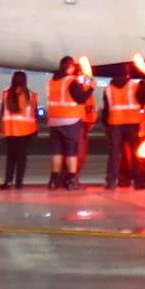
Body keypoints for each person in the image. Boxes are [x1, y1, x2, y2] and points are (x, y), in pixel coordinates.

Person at [44, 56, 93, 190]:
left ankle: (53, 181)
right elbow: (81, 98)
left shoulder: (52, 82)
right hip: (70, 120)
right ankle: (71, 181)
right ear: (70, 67)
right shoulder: (70, 81)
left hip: (54, 121)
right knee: (71, 152)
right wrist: (91, 88)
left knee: (57, 152)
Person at [102, 67, 143, 190]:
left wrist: (106, 124)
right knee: (134, 153)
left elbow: (106, 109)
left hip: (115, 123)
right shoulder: (134, 86)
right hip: (132, 122)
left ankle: (111, 181)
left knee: (114, 154)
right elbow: (143, 99)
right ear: (127, 74)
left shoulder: (108, 89)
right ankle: (138, 181)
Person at [0, 72, 37, 189]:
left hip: (10, 130)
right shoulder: (31, 95)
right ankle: (19, 183)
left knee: (11, 158)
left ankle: (8, 181)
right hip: (26, 131)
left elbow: (2, 112)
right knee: (22, 159)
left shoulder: (6, 94)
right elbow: (33, 113)